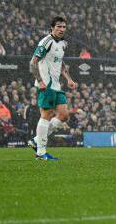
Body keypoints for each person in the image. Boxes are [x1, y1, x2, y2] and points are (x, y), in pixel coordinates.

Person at [27, 16, 78, 160]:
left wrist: (69, 79)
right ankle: (41, 153)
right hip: (46, 85)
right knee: (46, 115)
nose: (61, 29)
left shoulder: (63, 44)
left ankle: (36, 141)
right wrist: (40, 81)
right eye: (58, 27)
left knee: (64, 116)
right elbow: (33, 62)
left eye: (63, 27)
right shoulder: (46, 42)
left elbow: (60, 62)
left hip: (56, 85)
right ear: (52, 28)